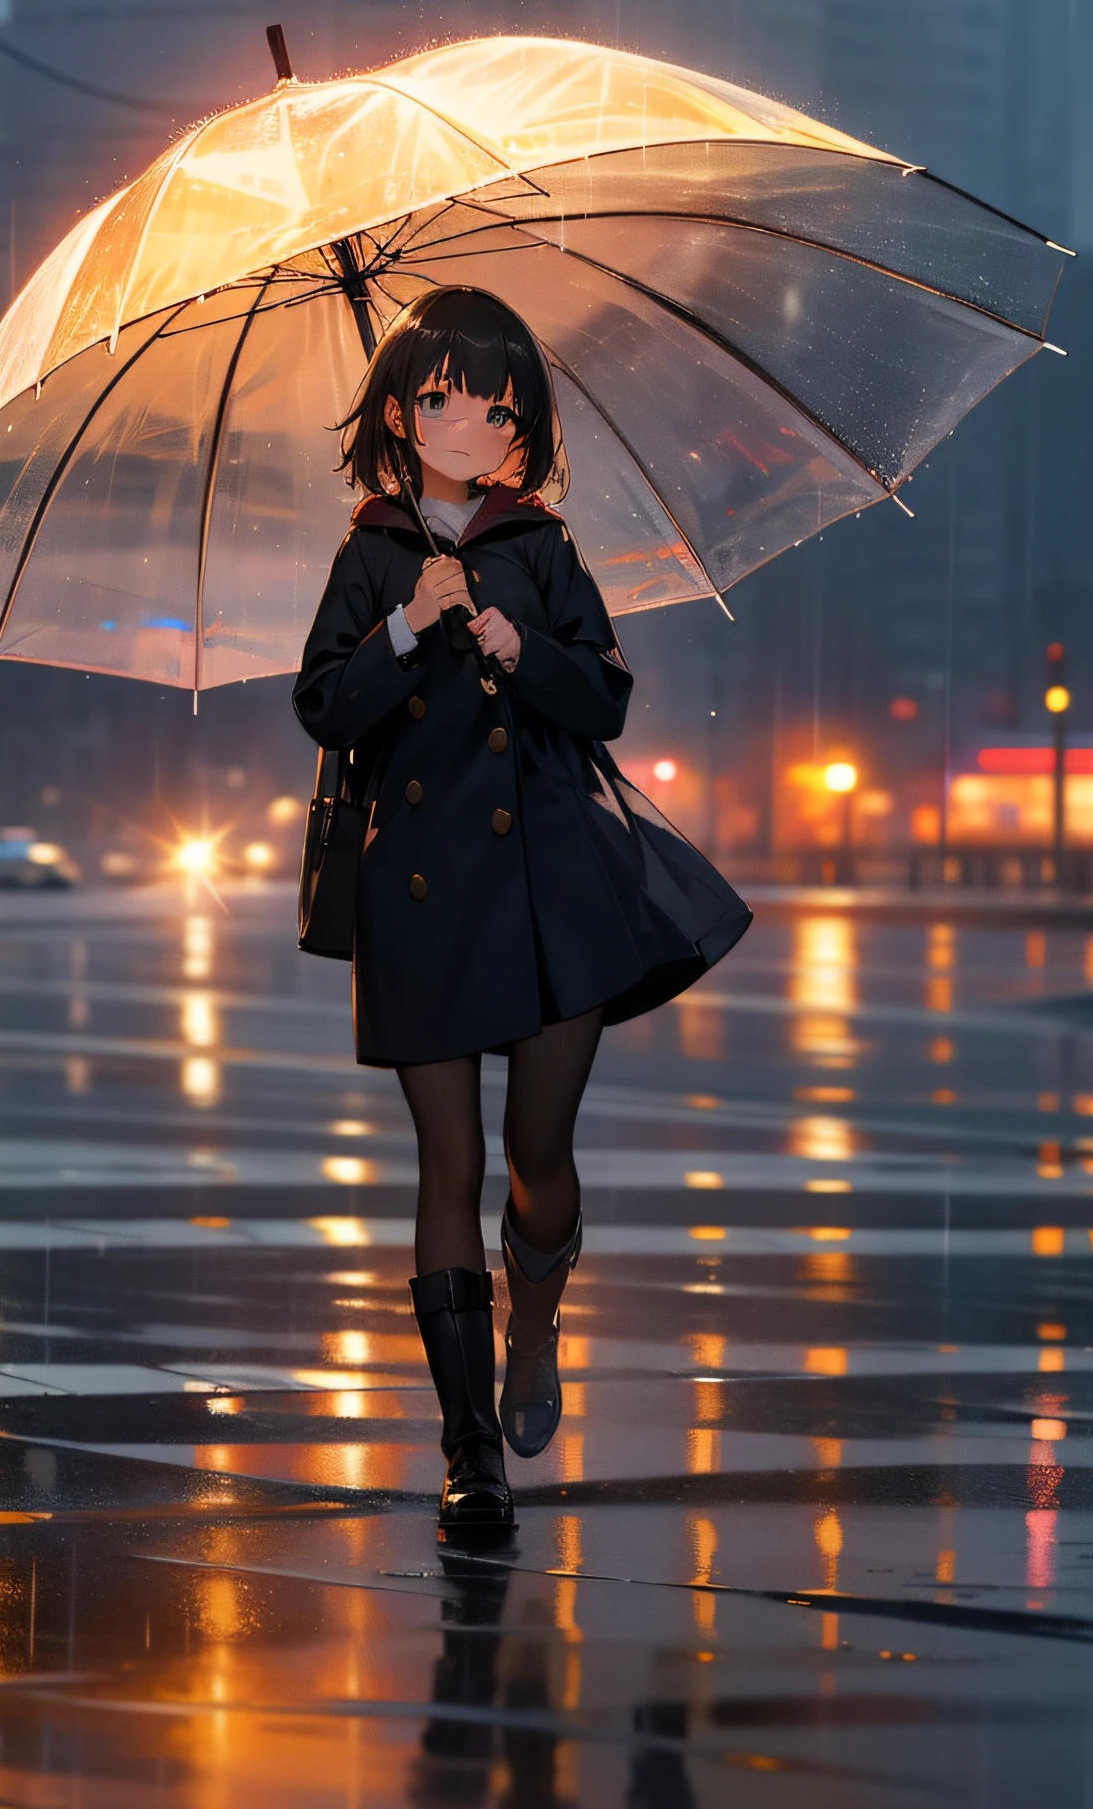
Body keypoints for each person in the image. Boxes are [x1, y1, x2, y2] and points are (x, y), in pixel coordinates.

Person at [293, 287, 752, 1528]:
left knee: (535, 1157)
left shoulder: (541, 548)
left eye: (499, 403)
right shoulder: (372, 556)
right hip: (423, 895)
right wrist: (404, 626)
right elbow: (324, 707)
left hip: (552, 889)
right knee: (446, 1158)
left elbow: (604, 699)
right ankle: (466, 1449)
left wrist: (516, 645)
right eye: (444, 397)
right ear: (399, 412)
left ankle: (534, 1320)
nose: (474, 419)